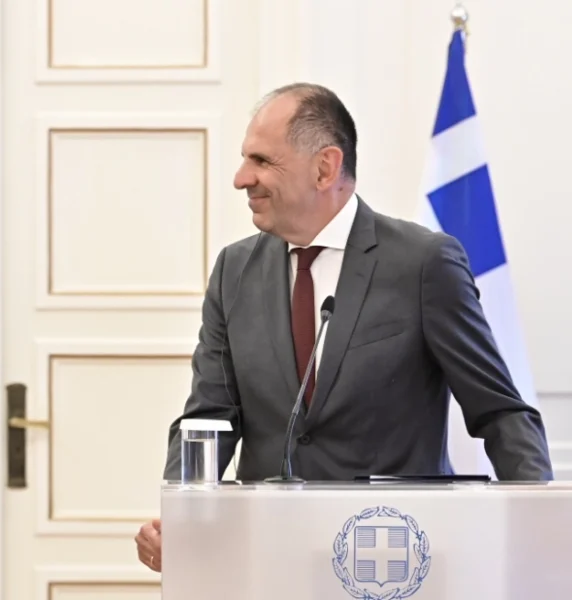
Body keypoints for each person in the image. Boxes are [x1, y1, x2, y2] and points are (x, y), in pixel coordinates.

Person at [134, 83, 552, 572]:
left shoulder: (423, 263)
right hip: (270, 560)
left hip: (393, 558)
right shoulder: (234, 270)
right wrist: (180, 520)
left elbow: (501, 413)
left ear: (324, 168)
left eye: (262, 161)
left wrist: (539, 532)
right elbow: (208, 420)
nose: (242, 178)